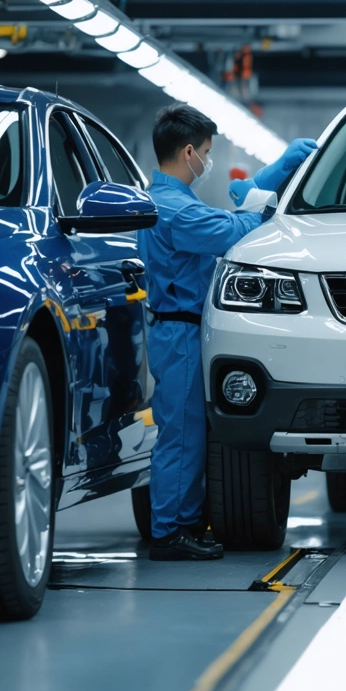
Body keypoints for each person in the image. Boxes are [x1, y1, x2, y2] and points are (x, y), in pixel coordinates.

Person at [139, 103, 316, 560]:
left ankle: (184, 523)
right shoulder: (176, 210)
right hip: (180, 334)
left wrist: (255, 188)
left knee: (187, 433)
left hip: (178, 331)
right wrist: (263, 198)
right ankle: (169, 533)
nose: (208, 160)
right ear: (189, 152)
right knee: (182, 435)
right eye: (207, 151)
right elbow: (233, 230)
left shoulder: (169, 201)